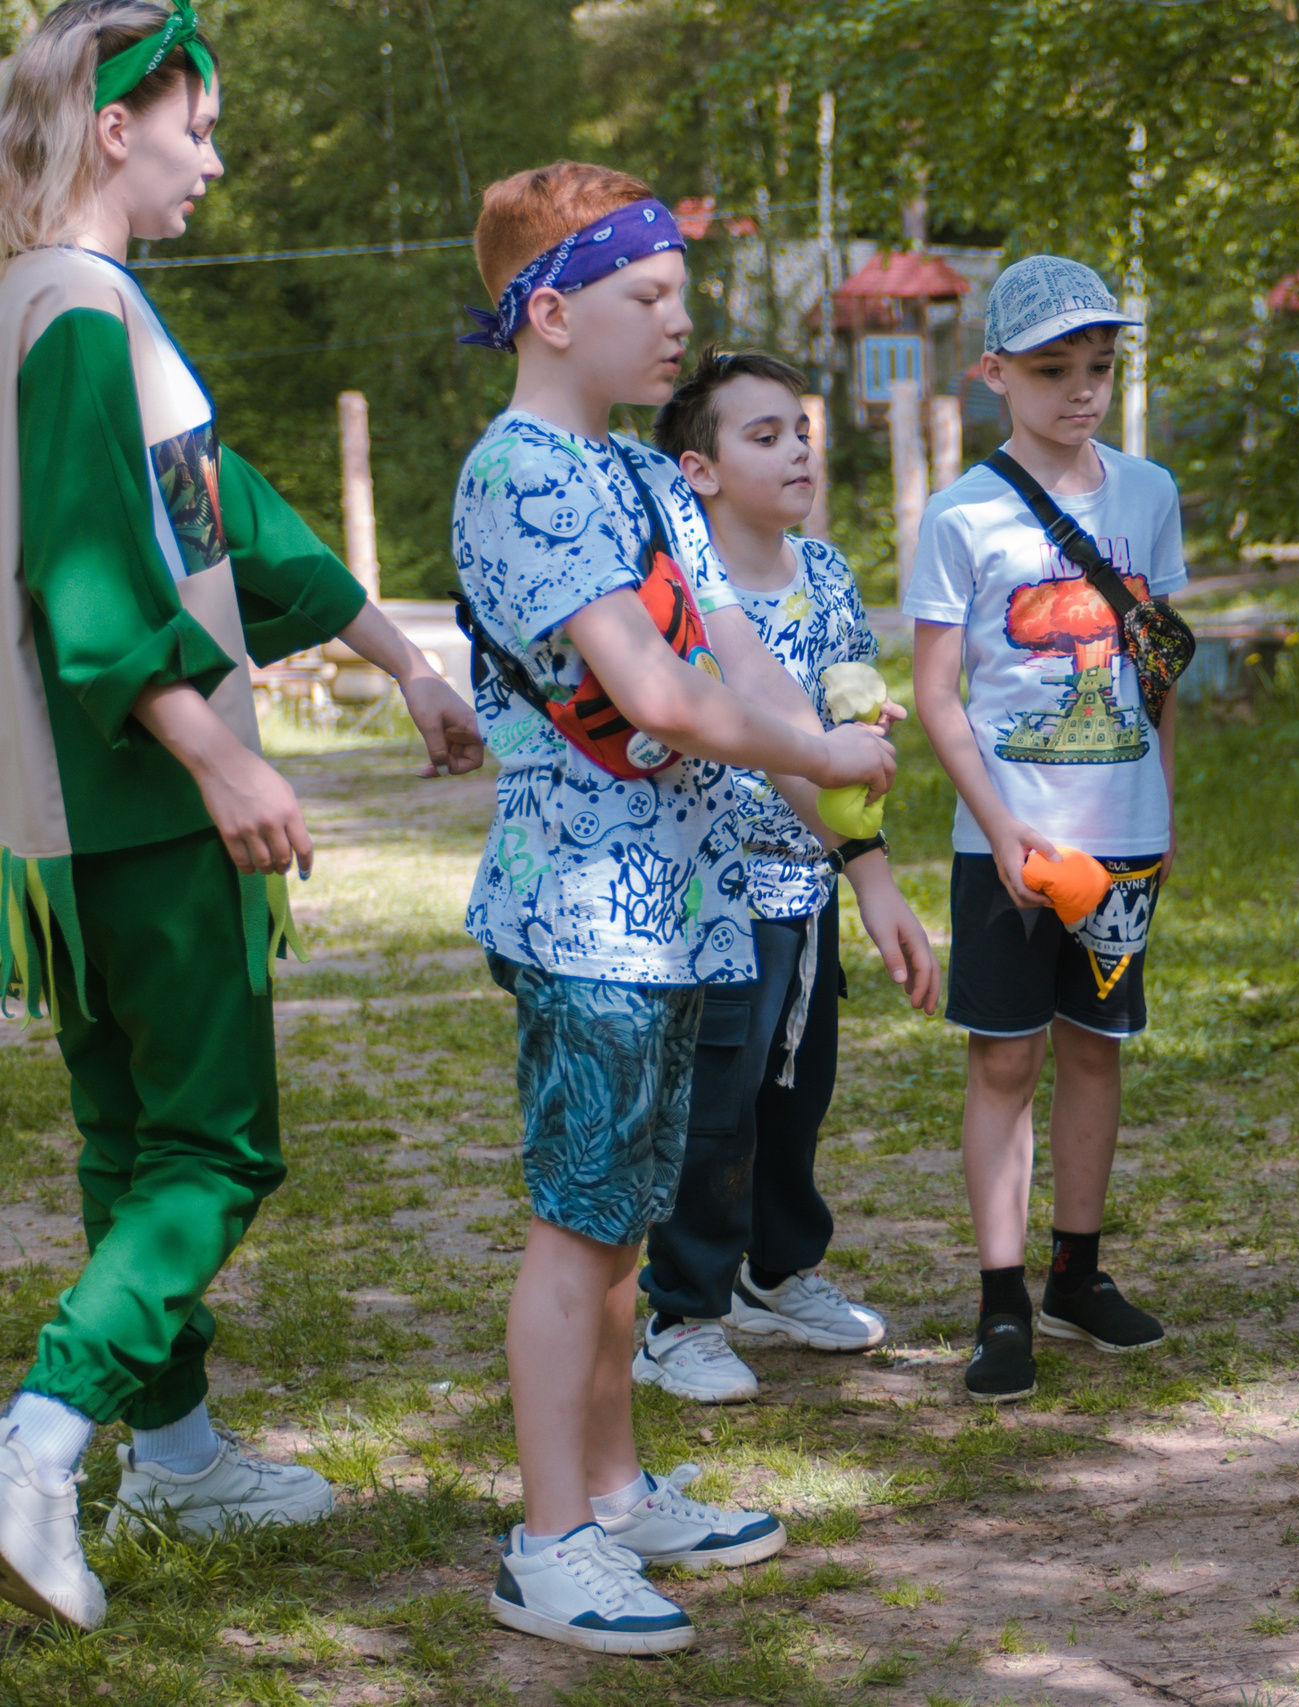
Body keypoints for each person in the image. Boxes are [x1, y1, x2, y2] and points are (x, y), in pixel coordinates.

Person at [0, 0, 489, 1629]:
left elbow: (237, 522)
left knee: (136, 1143)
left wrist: (397, 656)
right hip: (138, 808)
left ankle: (182, 1456)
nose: (217, 159)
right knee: (214, 1142)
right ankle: (47, 1432)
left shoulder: (72, 307)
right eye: (198, 127)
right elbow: (87, 579)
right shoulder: (75, 310)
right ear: (115, 123)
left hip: (67, 827)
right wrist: (224, 758)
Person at [453, 162, 894, 1654]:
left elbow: (740, 663)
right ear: (553, 309)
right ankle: (549, 1538)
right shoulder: (514, 472)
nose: (677, 324)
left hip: (679, 909)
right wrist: (816, 752)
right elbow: (651, 691)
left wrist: (837, 813)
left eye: (683, 297)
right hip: (585, 914)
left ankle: (618, 1487)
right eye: (649, 298)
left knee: (629, 1222)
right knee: (579, 1228)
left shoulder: (645, 477)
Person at [630, 349, 941, 1404]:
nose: (798, 448)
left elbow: (843, 704)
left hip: (806, 881)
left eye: (800, 428)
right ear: (701, 469)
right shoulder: (675, 591)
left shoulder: (830, 573)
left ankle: (778, 1269)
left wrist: (865, 851)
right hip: (711, 889)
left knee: (795, 1092)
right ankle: (681, 1314)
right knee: (713, 1103)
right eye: (763, 435)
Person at [905, 256, 1180, 1405]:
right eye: (1054, 370)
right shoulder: (962, 513)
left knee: (1095, 1049)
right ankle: (1001, 1299)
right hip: (1006, 839)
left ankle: (1079, 1271)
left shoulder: (1149, 495)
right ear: (993, 375)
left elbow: (1160, 666)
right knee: (1006, 1058)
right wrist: (1002, 828)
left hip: (1122, 831)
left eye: (1100, 368)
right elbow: (935, 694)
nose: (1081, 391)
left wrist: (1170, 805)